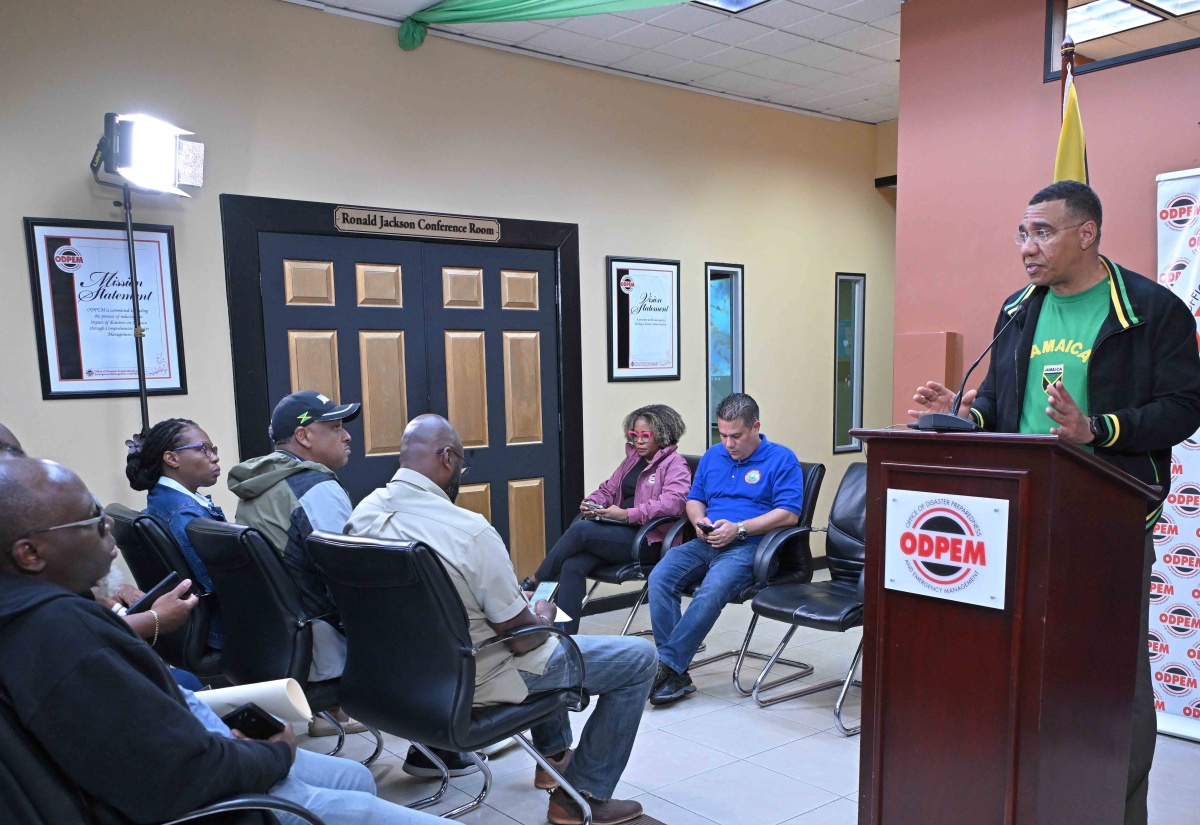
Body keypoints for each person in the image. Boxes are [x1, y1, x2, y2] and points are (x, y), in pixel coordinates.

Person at [909, 180, 1200, 825]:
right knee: (1020, 669)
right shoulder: (1018, 309)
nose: (1026, 247)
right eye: (1021, 232)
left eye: (1041, 232)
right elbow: (997, 406)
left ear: (1086, 234)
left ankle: (1115, 811)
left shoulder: (1150, 311)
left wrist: (1098, 429)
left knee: (1109, 684)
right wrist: (956, 418)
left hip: (1109, 524)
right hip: (1017, 520)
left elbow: (1185, 406)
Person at [0, 457, 446, 825]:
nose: (111, 537)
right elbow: (179, 777)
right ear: (30, 553)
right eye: (94, 523)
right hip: (224, 806)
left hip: (202, 761)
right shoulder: (62, 636)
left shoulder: (36, 615)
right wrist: (273, 753)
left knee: (356, 780)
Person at [346, 414, 658, 825]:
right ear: (446, 457)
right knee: (635, 657)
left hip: (392, 680)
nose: (459, 472)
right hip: (473, 681)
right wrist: (540, 615)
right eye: (461, 464)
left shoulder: (364, 513)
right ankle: (582, 796)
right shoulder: (469, 531)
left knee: (548, 641)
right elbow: (523, 640)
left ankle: (554, 758)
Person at [228, 391, 474, 774]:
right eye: (336, 427)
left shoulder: (257, 486)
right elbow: (352, 582)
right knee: (434, 625)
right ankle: (441, 747)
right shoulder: (315, 489)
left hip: (273, 641)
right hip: (318, 643)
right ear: (305, 436)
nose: (348, 437)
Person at [647, 392, 805, 706]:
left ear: (756, 427)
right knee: (659, 578)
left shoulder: (781, 458)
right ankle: (674, 671)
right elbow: (694, 499)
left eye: (736, 435)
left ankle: (666, 667)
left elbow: (789, 514)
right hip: (707, 540)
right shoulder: (713, 456)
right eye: (723, 435)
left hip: (750, 547)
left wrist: (740, 528)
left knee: (712, 589)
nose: (729, 443)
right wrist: (699, 521)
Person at [521, 404, 690, 634]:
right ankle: (563, 639)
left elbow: (674, 502)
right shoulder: (632, 460)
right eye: (634, 435)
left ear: (662, 434)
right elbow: (608, 490)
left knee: (581, 530)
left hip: (649, 540)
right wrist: (592, 503)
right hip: (618, 534)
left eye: (644, 436)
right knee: (572, 565)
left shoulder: (675, 464)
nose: (638, 441)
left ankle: (536, 580)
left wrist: (627, 514)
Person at [126, 417, 226, 647]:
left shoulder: (161, 498)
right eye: (203, 449)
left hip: (193, 626)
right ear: (172, 458)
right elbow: (214, 583)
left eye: (213, 449)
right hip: (218, 629)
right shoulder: (184, 513)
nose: (214, 456)